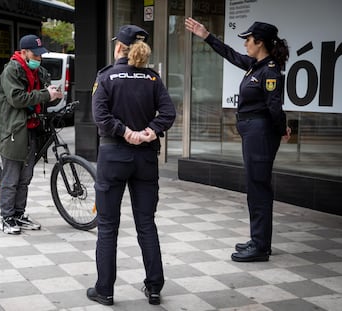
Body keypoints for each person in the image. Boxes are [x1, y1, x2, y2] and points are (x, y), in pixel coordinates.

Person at [185, 18, 291, 262]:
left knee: (258, 187)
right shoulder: (256, 65)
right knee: (255, 186)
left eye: (248, 39)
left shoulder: (270, 70)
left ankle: (261, 246)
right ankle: (258, 239)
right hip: (254, 132)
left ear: (260, 42)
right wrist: (206, 35)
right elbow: (231, 55)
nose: (245, 44)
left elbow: (274, 106)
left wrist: (282, 128)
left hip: (261, 133)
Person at [87, 25, 176, 306]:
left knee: (108, 226)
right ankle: (154, 288)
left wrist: (125, 132)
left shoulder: (107, 77)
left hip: (114, 157)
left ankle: (105, 291)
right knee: (146, 224)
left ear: (118, 48)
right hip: (146, 158)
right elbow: (169, 113)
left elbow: (100, 116)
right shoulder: (152, 78)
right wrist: (149, 131)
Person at [0, 34, 63, 234]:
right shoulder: (11, 71)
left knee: (25, 177)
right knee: (11, 178)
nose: (39, 59)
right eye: (36, 55)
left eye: (41, 56)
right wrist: (45, 94)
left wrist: (52, 93)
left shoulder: (38, 71)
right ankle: (6, 218)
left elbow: (40, 95)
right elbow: (17, 98)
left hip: (31, 129)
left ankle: (18, 214)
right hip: (13, 131)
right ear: (23, 52)